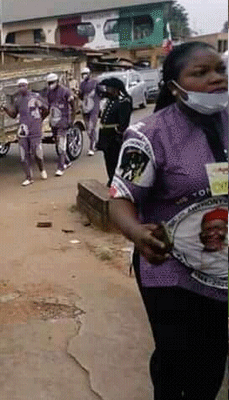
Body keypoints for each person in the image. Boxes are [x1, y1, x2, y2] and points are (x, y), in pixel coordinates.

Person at [109, 42, 228, 400]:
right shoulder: (148, 137)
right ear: (174, 87)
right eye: (200, 73)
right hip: (168, 270)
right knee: (177, 357)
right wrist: (136, 233)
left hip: (218, 265)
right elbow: (120, 200)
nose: (216, 79)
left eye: (220, 69)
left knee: (211, 359)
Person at [2, 78, 49, 186]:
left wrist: (40, 120)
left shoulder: (35, 97)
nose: (21, 88)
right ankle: (29, 177)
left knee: (37, 152)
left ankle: (42, 169)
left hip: (35, 129)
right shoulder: (18, 100)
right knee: (23, 154)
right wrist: (6, 109)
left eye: (23, 85)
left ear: (27, 86)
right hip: (23, 129)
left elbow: (46, 109)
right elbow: (14, 115)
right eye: (19, 86)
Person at [95, 77, 133, 186]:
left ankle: (117, 180)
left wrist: (119, 134)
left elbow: (124, 122)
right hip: (106, 136)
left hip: (114, 136)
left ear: (116, 89)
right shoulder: (110, 100)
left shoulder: (123, 101)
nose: (107, 90)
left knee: (115, 160)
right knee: (108, 159)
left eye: (109, 88)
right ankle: (111, 178)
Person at [45, 73, 75, 176]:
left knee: (61, 144)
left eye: (52, 83)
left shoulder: (65, 91)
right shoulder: (49, 93)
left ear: (57, 82)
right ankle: (67, 161)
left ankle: (60, 167)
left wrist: (72, 119)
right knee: (57, 142)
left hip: (63, 120)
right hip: (54, 121)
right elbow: (49, 107)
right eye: (49, 83)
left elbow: (73, 104)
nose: (50, 85)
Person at [78, 68, 101, 156]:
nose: (84, 75)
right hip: (85, 108)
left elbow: (101, 92)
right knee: (88, 129)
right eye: (83, 74)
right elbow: (81, 96)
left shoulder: (96, 83)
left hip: (94, 108)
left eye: (85, 73)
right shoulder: (82, 84)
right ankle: (95, 142)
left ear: (89, 74)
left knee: (91, 127)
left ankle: (91, 148)